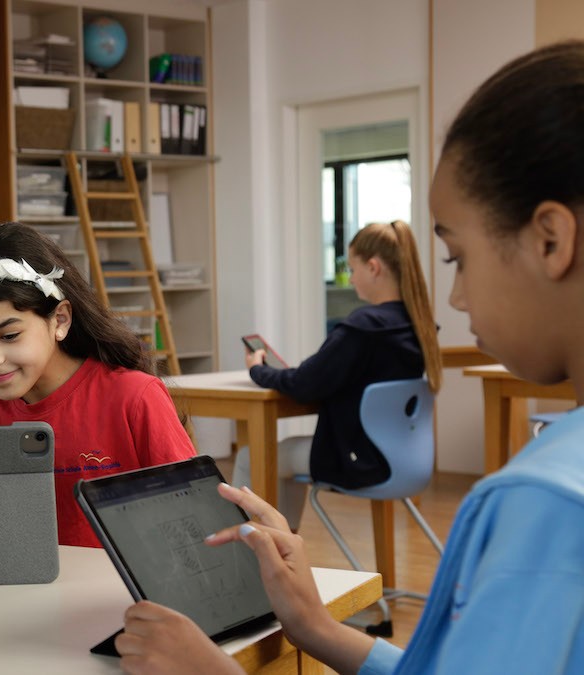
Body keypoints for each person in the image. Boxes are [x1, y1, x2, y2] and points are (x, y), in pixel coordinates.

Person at [116, 41, 584, 674]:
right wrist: (314, 627)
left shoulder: (547, 503)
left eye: (458, 257)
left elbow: (306, 379)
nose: (456, 293)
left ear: (551, 239)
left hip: (354, 457)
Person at [0, 222, 198, 547]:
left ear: (59, 320)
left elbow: (193, 520)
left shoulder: (134, 397)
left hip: (124, 595)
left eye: (8, 335)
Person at [234, 219, 443, 530]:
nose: (352, 277)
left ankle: (253, 555)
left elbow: (303, 385)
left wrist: (258, 369)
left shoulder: (363, 326)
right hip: (407, 462)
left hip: (357, 460)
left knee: (253, 457)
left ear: (373, 267)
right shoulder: (418, 324)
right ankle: (283, 545)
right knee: (285, 454)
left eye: (353, 267)